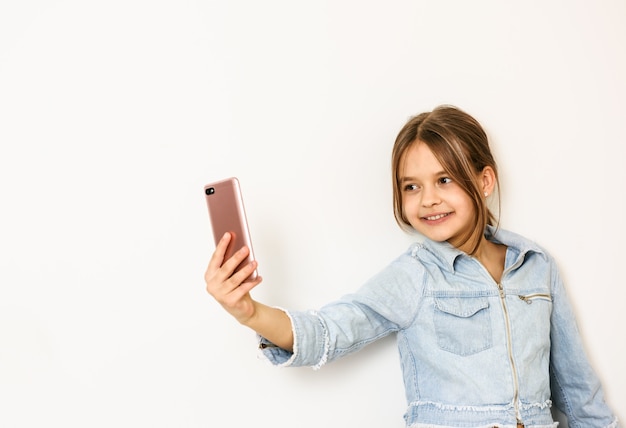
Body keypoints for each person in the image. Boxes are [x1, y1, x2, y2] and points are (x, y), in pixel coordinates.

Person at [205, 105, 618, 427]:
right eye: (411, 186)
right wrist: (250, 312)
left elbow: (577, 389)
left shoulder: (536, 266)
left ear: (484, 181)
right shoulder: (416, 274)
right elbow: (332, 329)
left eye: (445, 180)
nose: (428, 200)